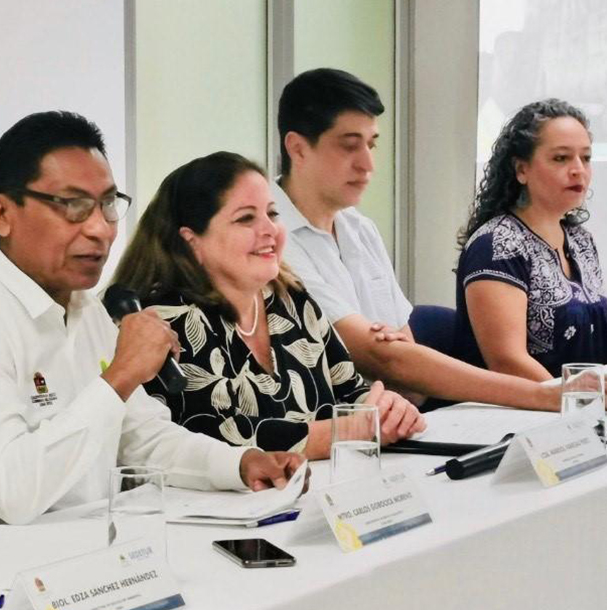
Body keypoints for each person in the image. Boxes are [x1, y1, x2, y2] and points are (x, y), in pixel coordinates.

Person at [0, 111, 304, 547]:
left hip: (69, 554)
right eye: (72, 206)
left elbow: (144, 440)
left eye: (107, 204)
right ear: (2, 213)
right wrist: (121, 376)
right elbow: (14, 492)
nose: (99, 229)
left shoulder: (88, 312)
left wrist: (239, 464)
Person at [273, 68, 561, 411]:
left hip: (393, 420)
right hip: (323, 429)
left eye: (371, 144)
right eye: (349, 146)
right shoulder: (269, 237)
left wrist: (392, 356)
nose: (367, 164)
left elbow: (408, 377)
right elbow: (386, 360)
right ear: (298, 148)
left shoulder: (359, 229)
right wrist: (542, 395)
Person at [112, 151, 423, 459]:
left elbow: (350, 391)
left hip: (319, 485)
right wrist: (352, 429)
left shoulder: (292, 299)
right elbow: (216, 437)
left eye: (272, 214)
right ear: (192, 240)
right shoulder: (166, 319)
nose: (270, 230)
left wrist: (386, 410)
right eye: (246, 218)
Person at [456, 99, 605, 379]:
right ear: (521, 170)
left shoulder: (580, 240)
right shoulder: (497, 245)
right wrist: (577, 398)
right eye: (561, 158)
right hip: (519, 405)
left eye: (585, 158)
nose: (578, 170)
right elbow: (507, 362)